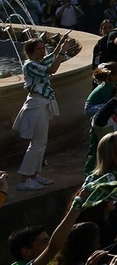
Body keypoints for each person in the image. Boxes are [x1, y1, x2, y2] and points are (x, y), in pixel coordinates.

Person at [13, 36, 68, 191]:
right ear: (30, 52)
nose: (43, 51)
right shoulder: (31, 65)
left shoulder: (38, 62)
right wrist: (63, 51)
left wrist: (60, 45)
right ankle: (24, 179)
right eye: (39, 49)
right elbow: (52, 69)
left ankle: (34, 174)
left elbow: (51, 57)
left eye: (44, 48)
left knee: (41, 143)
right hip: (36, 106)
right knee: (36, 144)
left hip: (41, 104)